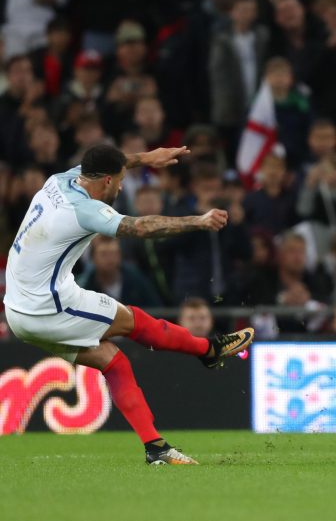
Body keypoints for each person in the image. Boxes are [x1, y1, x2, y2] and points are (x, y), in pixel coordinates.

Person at [4, 144, 254, 465]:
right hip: (47, 305)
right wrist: (200, 221)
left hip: (17, 309)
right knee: (134, 321)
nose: (122, 186)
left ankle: (156, 449)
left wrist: (147, 158)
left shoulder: (59, 180)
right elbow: (141, 227)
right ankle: (208, 350)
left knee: (114, 362)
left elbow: (111, 164)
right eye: (120, 180)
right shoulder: (85, 210)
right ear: (107, 181)